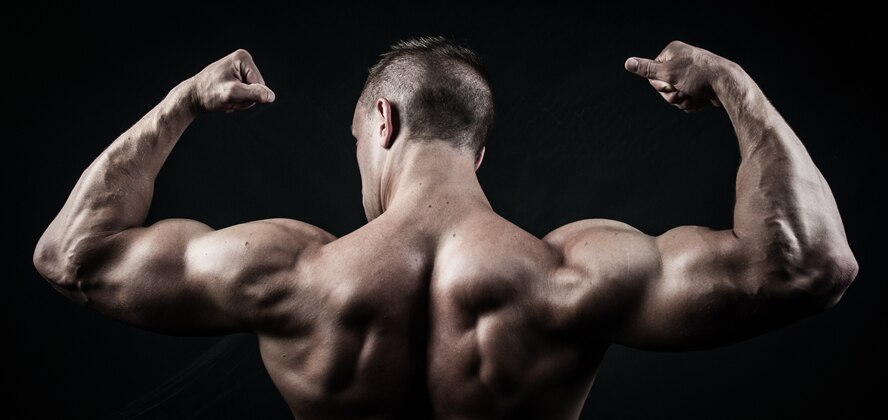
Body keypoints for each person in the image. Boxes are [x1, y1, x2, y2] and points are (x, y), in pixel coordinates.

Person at [33, 37, 858, 419]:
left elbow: (73, 255)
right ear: (480, 150)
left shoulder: (291, 270)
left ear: (381, 121)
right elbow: (809, 265)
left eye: (356, 137)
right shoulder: (574, 272)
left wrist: (180, 103)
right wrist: (735, 85)